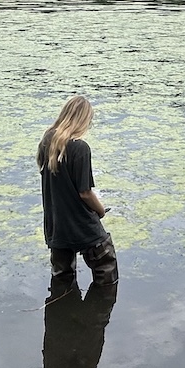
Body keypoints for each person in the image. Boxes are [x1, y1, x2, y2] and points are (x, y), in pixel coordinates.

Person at [36, 95, 118, 284]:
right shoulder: (80, 148)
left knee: (61, 278)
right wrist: (100, 211)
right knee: (106, 270)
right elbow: (85, 192)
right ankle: (99, 310)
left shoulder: (46, 142)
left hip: (57, 225)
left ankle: (62, 309)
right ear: (82, 119)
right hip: (81, 225)